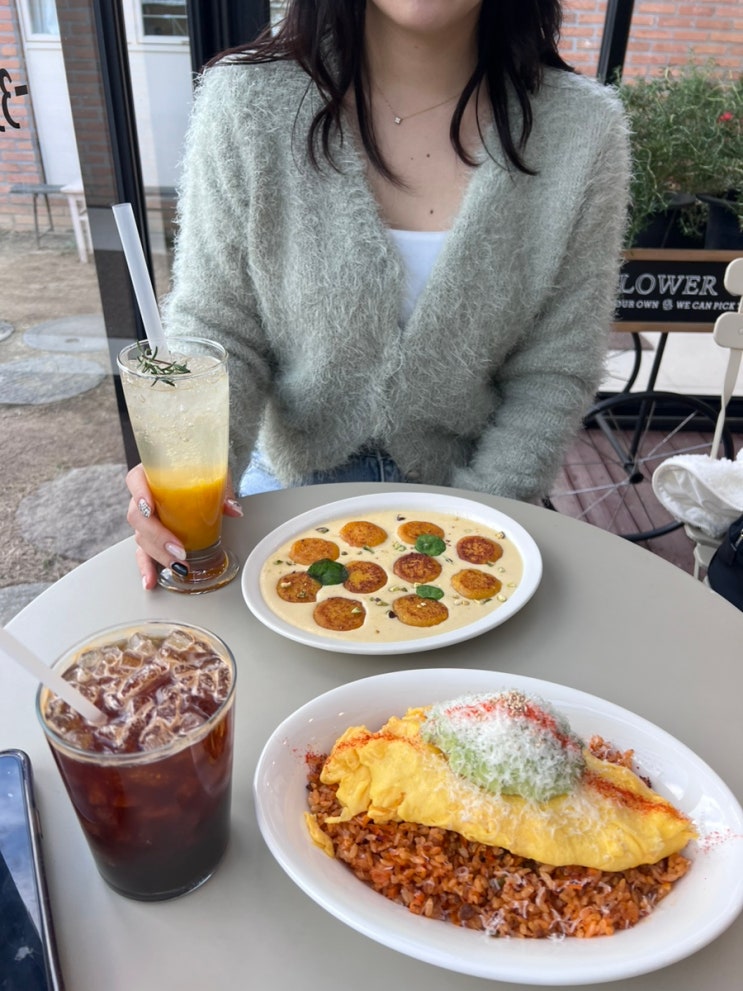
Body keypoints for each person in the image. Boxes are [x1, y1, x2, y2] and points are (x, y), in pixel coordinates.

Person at [126, 0, 630, 589]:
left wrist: (475, 533)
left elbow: (555, 369)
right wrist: (192, 468)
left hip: (483, 500)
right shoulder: (245, 102)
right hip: (284, 495)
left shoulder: (582, 129)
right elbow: (220, 329)